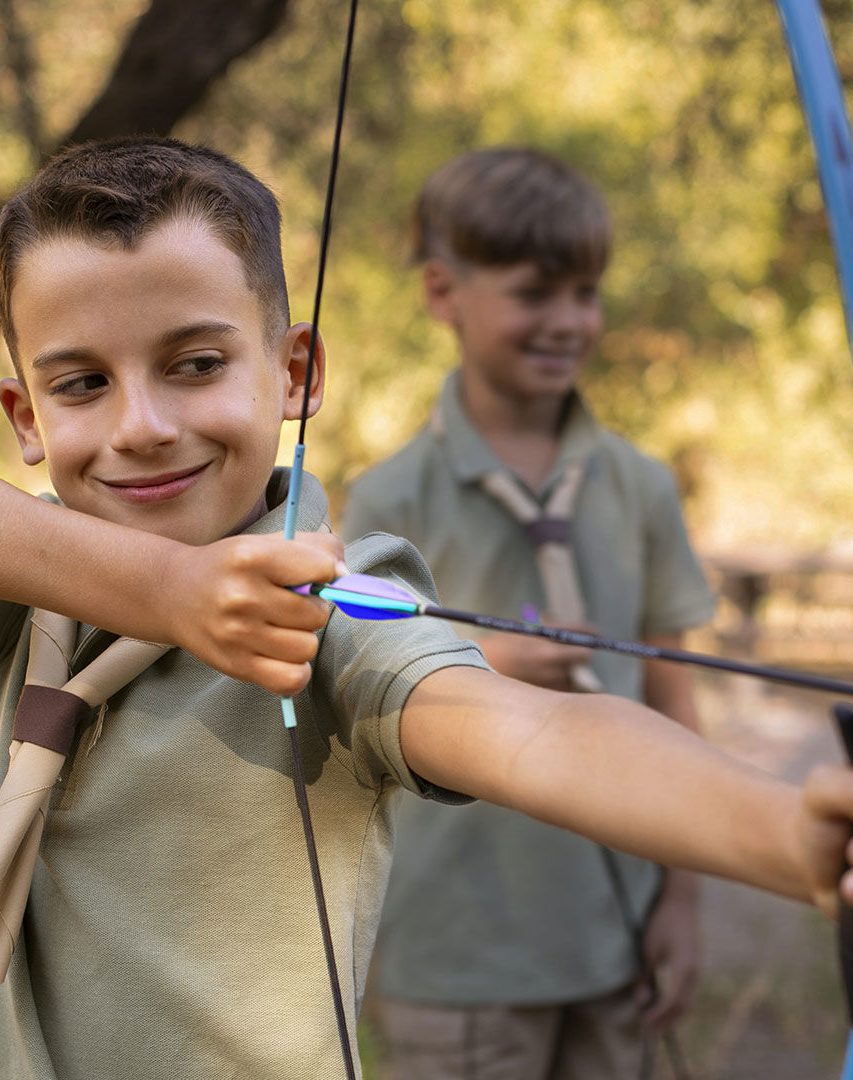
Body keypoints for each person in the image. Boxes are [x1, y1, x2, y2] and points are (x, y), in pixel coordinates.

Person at [0, 136, 853, 1080]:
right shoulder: (40, 586)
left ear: (292, 372)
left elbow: (531, 732)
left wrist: (796, 839)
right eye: (82, 384)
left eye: (197, 364)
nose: (142, 424)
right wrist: (173, 590)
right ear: (27, 420)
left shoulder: (331, 611)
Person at [341, 146, 711, 1078]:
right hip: (461, 952)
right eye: (535, 293)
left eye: (586, 294)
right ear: (442, 293)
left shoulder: (640, 486)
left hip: (616, 933)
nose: (569, 322)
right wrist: (481, 662)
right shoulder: (392, 497)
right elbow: (357, 686)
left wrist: (682, 900)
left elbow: (675, 695)